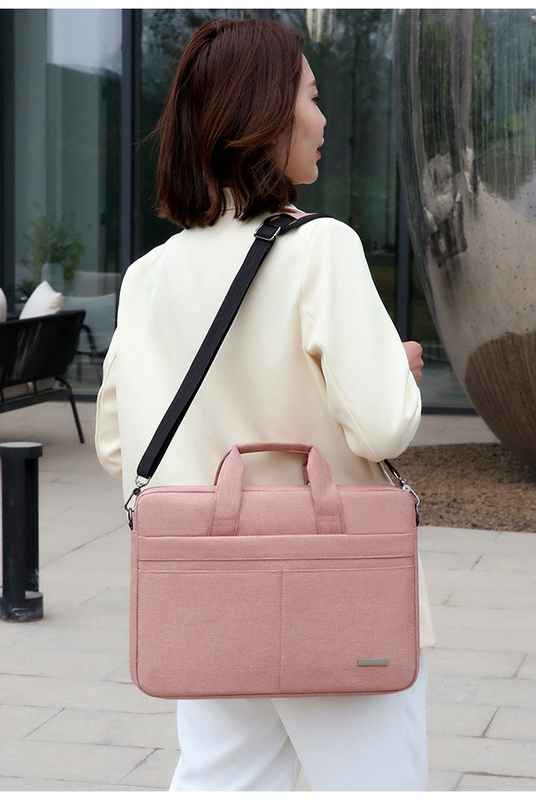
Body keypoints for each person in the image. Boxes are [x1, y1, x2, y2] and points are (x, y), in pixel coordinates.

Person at [95, 17, 435, 792]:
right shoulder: (321, 247)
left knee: (222, 781)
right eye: (311, 97)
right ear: (267, 116)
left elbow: (120, 447)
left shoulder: (148, 276)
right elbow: (383, 424)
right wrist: (395, 370)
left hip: (211, 597)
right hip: (336, 588)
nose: (324, 119)